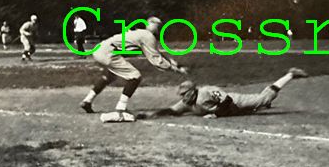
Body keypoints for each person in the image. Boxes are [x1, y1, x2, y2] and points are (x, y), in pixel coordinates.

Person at [114, 68, 310, 121]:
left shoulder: (206, 92)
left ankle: (290, 74)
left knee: (262, 99)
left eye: (185, 94)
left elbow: (227, 101)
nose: (183, 98)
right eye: (182, 96)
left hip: (236, 102)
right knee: (256, 109)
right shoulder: (187, 102)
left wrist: (215, 114)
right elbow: (172, 111)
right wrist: (149, 115)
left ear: (192, 91)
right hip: (229, 109)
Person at [80, 17, 187, 115]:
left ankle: (87, 101)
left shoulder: (139, 33)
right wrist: (175, 69)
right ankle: (121, 108)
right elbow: (156, 60)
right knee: (135, 76)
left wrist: (175, 63)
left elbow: (157, 53)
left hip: (100, 50)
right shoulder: (148, 37)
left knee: (110, 76)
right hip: (108, 53)